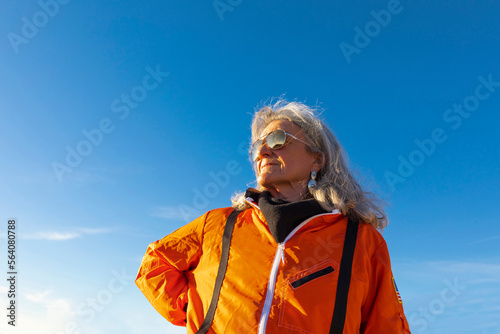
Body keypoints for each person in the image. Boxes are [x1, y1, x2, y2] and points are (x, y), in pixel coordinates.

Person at [136, 99, 411, 334]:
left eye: (278, 140)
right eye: (258, 147)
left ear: (317, 159)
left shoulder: (361, 241)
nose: (264, 151)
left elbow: (387, 325)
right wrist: (203, 314)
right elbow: (154, 264)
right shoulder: (218, 224)